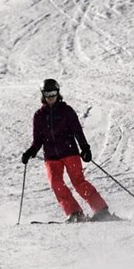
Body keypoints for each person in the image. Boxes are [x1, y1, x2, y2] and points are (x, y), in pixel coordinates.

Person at [21, 79, 114, 223]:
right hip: (51, 156)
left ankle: (101, 210)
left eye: (53, 93)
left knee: (78, 182)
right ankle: (75, 213)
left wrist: (85, 147)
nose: (51, 96)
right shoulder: (39, 116)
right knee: (56, 184)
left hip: (70, 152)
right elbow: (37, 140)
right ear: (43, 95)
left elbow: (77, 130)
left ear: (58, 93)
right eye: (48, 93)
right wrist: (30, 152)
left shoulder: (66, 111)